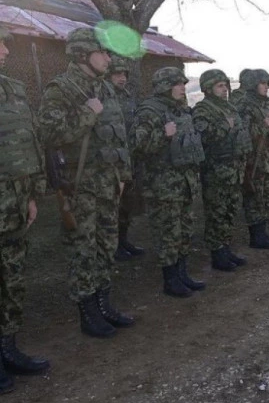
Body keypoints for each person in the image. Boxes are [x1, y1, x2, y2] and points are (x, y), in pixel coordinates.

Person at [38, 27, 134, 338]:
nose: (108, 59)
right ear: (82, 54)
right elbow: (50, 135)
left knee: (106, 245)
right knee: (83, 249)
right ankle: (88, 312)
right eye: (102, 52)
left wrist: (123, 174)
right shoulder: (61, 89)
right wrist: (86, 114)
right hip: (79, 188)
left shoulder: (105, 89)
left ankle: (104, 304)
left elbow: (119, 135)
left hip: (108, 183)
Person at [0, 26, 50, 393]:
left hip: (14, 204)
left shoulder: (14, 90)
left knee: (13, 280)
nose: (5, 51)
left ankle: (8, 348)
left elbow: (31, 143)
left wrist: (32, 194)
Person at [131, 67, 206, 297]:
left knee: (184, 230)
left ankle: (182, 274)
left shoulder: (180, 109)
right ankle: (170, 280)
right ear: (165, 86)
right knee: (168, 232)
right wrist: (163, 134)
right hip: (162, 185)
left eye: (183, 84)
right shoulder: (149, 111)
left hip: (184, 182)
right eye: (178, 84)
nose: (183, 88)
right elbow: (136, 146)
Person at [193, 69, 252, 272]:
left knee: (229, 210)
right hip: (216, 171)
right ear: (208, 88)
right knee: (217, 212)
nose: (225, 89)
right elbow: (203, 137)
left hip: (234, 168)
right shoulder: (202, 110)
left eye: (225, 85)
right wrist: (224, 126)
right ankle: (217, 253)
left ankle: (226, 248)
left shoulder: (229, 108)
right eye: (219, 86)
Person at [233, 69, 269, 249]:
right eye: (263, 83)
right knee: (254, 196)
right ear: (253, 85)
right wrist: (264, 127)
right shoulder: (245, 105)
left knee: (265, 195)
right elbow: (243, 133)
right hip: (253, 160)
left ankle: (262, 230)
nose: (266, 86)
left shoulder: (265, 105)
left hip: (266, 158)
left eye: (267, 83)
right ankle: (256, 235)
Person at [107, 56, 145, 261]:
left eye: (124, 74)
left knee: (127, 204)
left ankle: (123, 240)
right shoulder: (104, 96)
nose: (122, 78)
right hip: (113, 161)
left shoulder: (128, 96)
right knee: (114, 204)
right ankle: (112, 246)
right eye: (117, 74)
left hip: (130, 158)